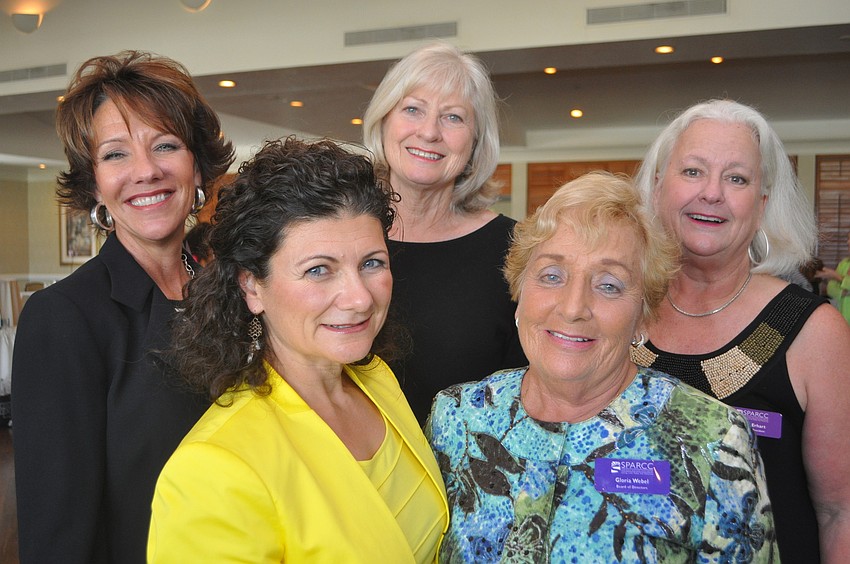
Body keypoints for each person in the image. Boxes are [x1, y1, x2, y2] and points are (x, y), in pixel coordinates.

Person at [427, 171, 778, 562]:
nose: (574, 308)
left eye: (609, 285)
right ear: (519, 290)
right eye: (552, 276)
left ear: (643, 316)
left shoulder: (714, 440)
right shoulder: (458, 418)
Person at [148, 137, 448, 562]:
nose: (359, 297)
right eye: (318, 270)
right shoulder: (212, 469)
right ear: (252, 287)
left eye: (371, 263)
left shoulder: (376, 378)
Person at [11, 51, 234, 563]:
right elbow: (57, 535)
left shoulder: (227, 293)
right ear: (93, 183)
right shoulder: (64, 318)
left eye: (165, 145)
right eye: (115, 155)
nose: (146, 171)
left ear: (196, 164)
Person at [631, 99, 850, 561]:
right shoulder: (619, 310)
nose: (712, 193)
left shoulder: (814, 331)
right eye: (692, 171)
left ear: (762, 203)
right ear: (656, 187)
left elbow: (840, 511)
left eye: (737, 178)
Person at [362, 42, 526, 424]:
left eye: (453, 118)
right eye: (413, 109)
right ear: (385, 120)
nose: (430, 132)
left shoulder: (516, 250)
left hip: (467, 477)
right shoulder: (337, 237)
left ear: (474, 143)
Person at [819, 232, 850, 321]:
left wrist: (837, 276)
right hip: (843, 320)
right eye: (848, 239)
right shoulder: (844, 263)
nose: (848, 242)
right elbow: (830, 288)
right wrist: (845, 293)